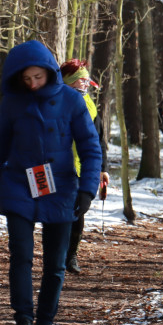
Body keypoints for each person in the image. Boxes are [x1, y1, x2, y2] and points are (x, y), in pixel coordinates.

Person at [0, 40, 102, 325]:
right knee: (21, 255)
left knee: (56, 263)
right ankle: (23, 319)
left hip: (61, 186)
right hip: (18, 184)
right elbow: (0, 148)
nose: (33, 84)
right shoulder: (13, 102)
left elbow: (91, 149)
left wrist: (87, 190)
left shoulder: (72, 101)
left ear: (50, 72)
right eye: (26, 79)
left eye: (37, 77)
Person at [59, 59, 110, 275]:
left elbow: (99, 140)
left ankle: (70, 256)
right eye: (82, 81)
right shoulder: (54, 101)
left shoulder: (89, 104)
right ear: (69, 82)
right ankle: (56, 256)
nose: (87, 84)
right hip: (57, 169)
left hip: (83, 170)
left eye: (87, 80)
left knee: (78, 214)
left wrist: (103, 169)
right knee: (57, 214)